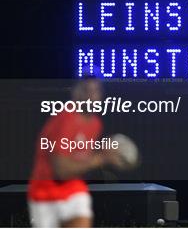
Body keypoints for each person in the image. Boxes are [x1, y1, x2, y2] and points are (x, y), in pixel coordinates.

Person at [27, 75, 126, 227]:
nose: (91, 95)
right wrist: (100, 159)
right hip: (46, 191)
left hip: (74, 189)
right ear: (76, 93)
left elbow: (80, 158)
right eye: (86, 90)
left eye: (96, 91)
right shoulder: (65, 121)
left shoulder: (95, 124)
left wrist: (104, 153)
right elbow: (61, 170)